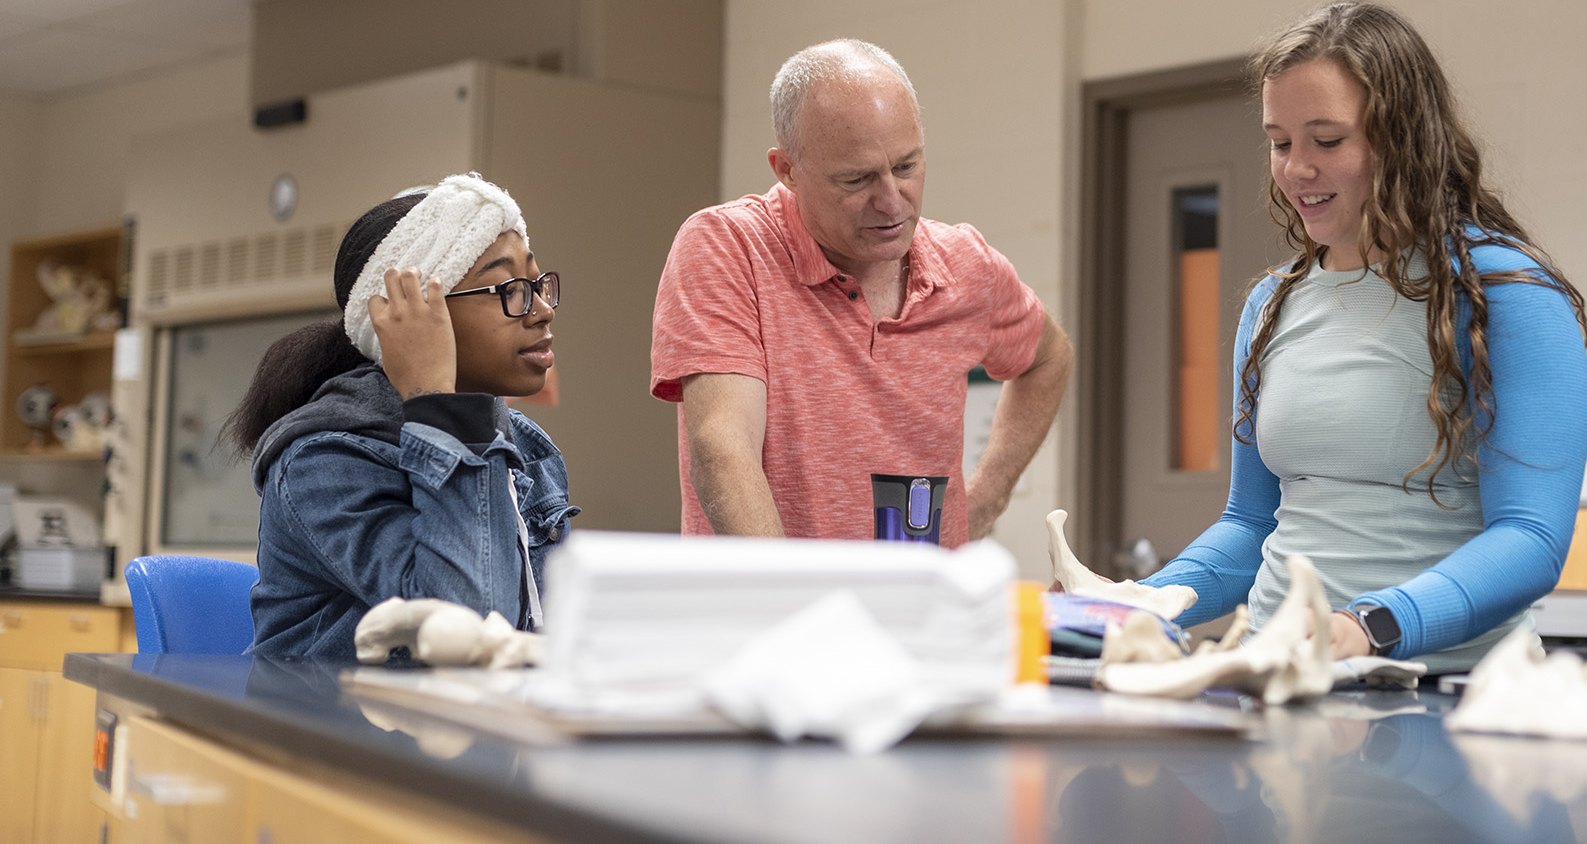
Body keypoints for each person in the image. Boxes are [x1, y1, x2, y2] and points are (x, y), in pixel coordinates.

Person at [1141, 0, 1587, 674]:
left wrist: (1367, 626)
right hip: (1286, 687)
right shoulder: (1271, 306)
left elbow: (1530, 539)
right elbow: (1250, 526)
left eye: (1327, 141)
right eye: (1279, 141)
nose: (1296, 168)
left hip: (1448, 696)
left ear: (1402, 138)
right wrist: (1140, 604)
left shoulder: (1506, 295)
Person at [650, 39, 1073, 545]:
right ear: (786, 170)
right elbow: (723, 450)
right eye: (857, 179)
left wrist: (985, 500)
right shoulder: (729, 248)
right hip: (773, 615)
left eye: (907, 166)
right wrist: (799, 611)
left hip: (921, 615)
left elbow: (1049, 359)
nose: (892, 201)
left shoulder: (966, 267)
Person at [229, 173, 574, 659]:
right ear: (412, 320)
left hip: (479, 727)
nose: (540, 310)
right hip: (336, 731)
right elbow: (467, 630)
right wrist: (435, 397)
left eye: (537, 284)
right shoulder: (324, 459)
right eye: (506, 289)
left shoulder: (527, 446)